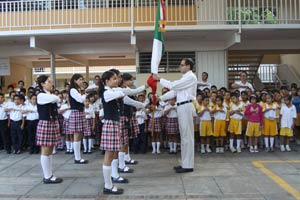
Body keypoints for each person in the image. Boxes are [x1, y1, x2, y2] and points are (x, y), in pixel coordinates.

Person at [154, 58, 197, 173]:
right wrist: (161, 98)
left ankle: (188, 165)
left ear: (188, 66)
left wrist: (159, 79)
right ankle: (185, 163)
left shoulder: (191, 77)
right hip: (181, 106)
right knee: (184, 136)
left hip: (186, 106)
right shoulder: (185, 77)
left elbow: (173, 85)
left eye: (182, 65)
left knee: (187, 136)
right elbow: (174, 92)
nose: (180, 67)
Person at [100, 71, 125, 194]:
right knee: (109, 156)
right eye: (114, 79)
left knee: (113, 153)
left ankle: (110, 182)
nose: (117, 80)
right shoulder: (107, 92)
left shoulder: (111, 91)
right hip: (110, 124)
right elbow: (121, 93)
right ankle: (108, 185)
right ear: (106, 81)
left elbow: (121, 92)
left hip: (114, 123)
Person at [36, 75, 63, 184]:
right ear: (42, 84)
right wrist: (56, 97)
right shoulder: (41, 95)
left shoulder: (47, 95)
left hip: (52, 122)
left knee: (50, 149)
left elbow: (57, 100)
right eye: (48, 81)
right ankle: (47, 176)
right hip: (46, 123)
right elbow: (56, 98)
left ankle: (50, 174)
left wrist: (56, 98)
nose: (51, 83)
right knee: (46, 150)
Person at [68, 74, 88, 164]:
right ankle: (77, 157)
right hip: (76, 112)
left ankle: (78, 156)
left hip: (80, 112)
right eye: (80, 79)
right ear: (75, 80)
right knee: (77, 135)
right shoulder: (73, 90)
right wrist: (85, 95)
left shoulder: (79, 90)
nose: (82, 81)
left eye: (82, 79)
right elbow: (80, 99)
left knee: (79, 135)